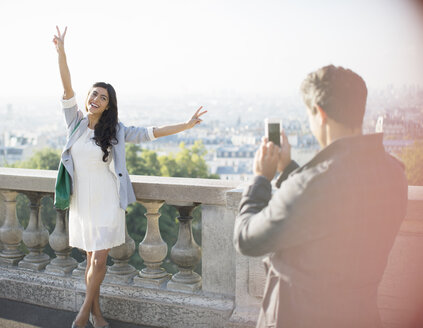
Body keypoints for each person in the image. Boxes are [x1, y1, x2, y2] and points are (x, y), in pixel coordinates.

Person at [52, 26, 207, 328]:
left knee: (99, 260)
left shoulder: (117, 132)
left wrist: (186, 126)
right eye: (93, 93)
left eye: (103, 97)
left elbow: (151, 133)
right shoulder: (75, 124)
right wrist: (61, 53)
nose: (96, 98)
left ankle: (83, 314)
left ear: (109, 105)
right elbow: (66, 86)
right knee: (89, 261)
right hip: (82, 202)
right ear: (88, 98)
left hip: (109, 201)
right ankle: (97, 314)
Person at [233, 65, 408, 328]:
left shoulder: (313, 184)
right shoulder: (393, 172)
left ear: (320, 114)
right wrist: (289, 170)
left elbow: (246, 239)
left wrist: (260, 178)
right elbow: (329, 212)